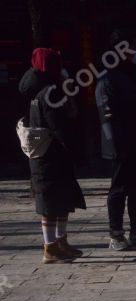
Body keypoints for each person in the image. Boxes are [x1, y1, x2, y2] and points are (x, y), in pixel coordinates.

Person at [19, 48, 86, 263]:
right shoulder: (50, 92)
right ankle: (50, 247)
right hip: (51, 155)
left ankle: (61, 242)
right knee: (50, 202)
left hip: (47, 155)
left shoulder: (38, 88)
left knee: (62, 200)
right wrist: (75, 148)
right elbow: (59, 125)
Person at [96, 29, 136, 251]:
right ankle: (116, 234)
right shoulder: (109, 79)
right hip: (122, 145)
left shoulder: (135, 75)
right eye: (132, 45)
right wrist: (117, 146)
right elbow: (108, 117)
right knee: (119, 188)